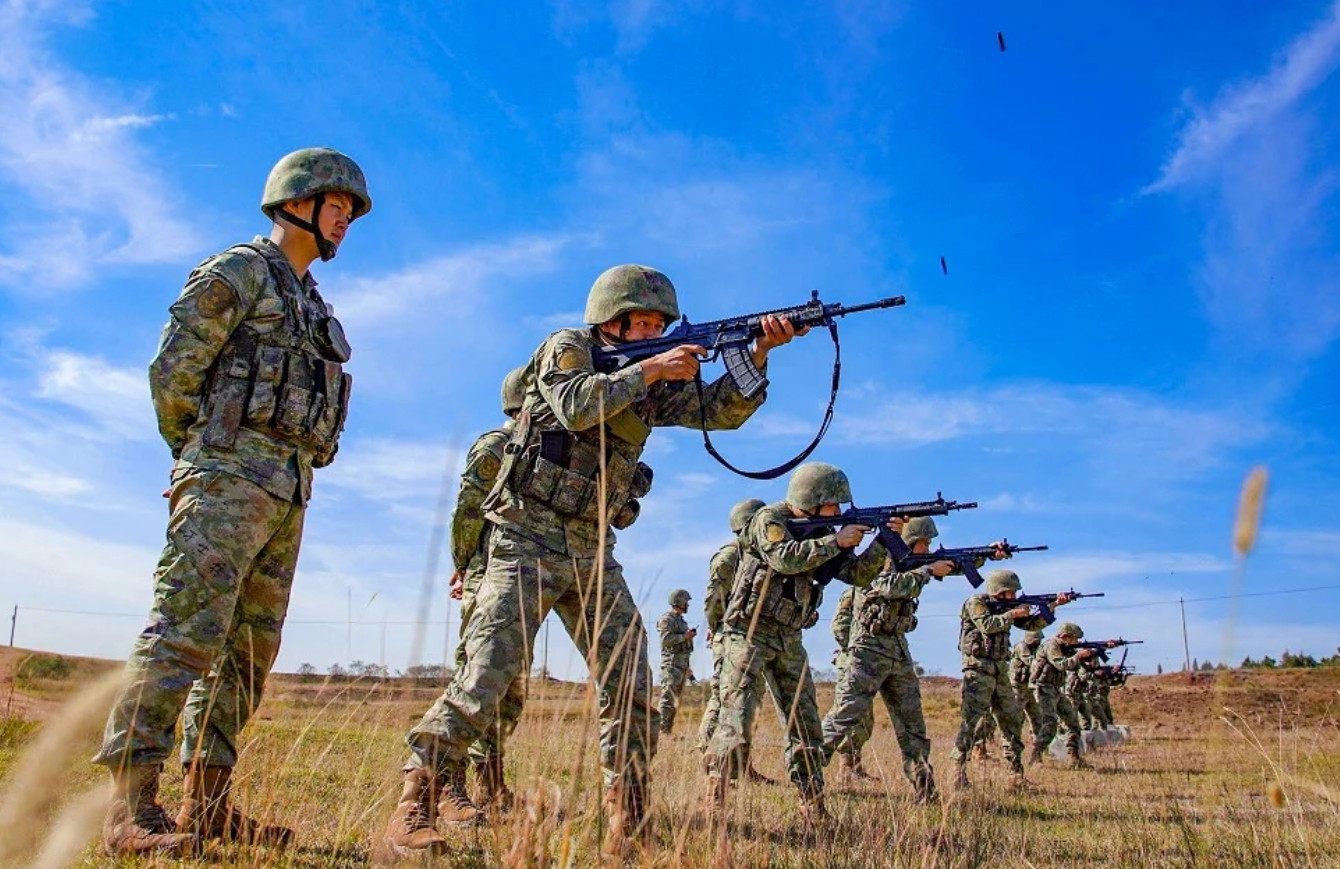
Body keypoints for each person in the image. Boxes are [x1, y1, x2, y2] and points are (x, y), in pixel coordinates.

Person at [380, 264, 806, 859]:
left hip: (592, 549)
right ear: (612, 318)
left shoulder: (650, 384)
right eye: (643, 322)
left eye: (662, 323)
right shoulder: (568, 348)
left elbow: (722, 410)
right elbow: (578, 406)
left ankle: (627, 818)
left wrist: (758, 352)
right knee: (488, 676)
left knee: (631, 676)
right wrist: (651, 367)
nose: (654, 329)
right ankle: (416, 801)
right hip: (524, 538)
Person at [91, 148, 371, 855]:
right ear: (294, 202)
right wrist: (197, 457)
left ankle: (207, 802)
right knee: (184, 631)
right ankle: (129, 803)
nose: (343, 217)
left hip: (288, 489)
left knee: (248, 652)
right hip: (226, 475)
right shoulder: (240, 271)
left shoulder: (315, 307)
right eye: (334, 203)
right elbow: (174, 371)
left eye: (348, 209)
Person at [702, 462, 901, 825]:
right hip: (747, 634)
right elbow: (785, 559)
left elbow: (858, 575)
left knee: (805, 722)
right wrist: (835, 541)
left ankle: (813, 804)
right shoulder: (769, 519)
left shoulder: (823, 530)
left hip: (789, 637)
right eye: (834, 504)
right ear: (812, 499)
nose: (839, 513)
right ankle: (717, 798)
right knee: (737, 718)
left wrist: (884, 539)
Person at [823, 517, 1007, 802]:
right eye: (926, 542)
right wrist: (927, 571)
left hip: (898, 649)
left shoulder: (915, 563)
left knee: (913, 727)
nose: (929, 547)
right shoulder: (880, 560)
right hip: (868, 649)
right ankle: (806, 775)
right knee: (844, 718)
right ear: (910, 542)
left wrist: (986, 555)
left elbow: (954, 564)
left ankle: (925, 790)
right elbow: (887, 586)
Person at [446, 367, 528, 813]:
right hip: (486, 572)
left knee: (510, 690)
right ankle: (448, 788)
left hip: (519, 578)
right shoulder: (496, 447)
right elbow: (467, 512)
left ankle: (491, 784)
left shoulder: (540, 449)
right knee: (475, 679)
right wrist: (463, 565)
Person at [951, 570, 1072, 790]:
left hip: (1000, 670)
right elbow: (986, 625)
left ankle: (1016, 775)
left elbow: (1032, 625)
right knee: (971, 722)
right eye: (1010, 592)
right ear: (999, 590)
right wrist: (1012, 614)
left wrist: (1052, 606)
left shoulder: (1009, 608)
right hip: (977, 669)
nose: (1014, 595)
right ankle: (958, 774)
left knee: (1012, 721)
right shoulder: (976, 602)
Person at [697, 498, 776, 784]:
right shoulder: (730, 556)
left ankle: (739, 765)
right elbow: (714, 597)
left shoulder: (760, 552)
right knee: (723, 698)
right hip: (728, 633)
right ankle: (710, 759)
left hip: (750, 635)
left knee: (744, 702)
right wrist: (716, 627)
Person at [1029, 623, 1104, 769]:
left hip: (1056, 689)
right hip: (1044, 688)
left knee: (1073, 722)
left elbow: (1076, 665)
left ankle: (1074, 757)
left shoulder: (1064, 648)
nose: (1076, 643)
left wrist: (1094, 653)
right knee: (1050, 724)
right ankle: (1036, 757)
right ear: (1065, 637)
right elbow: (1062, 665)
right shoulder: (1052, 646)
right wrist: (1078, 655)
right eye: (1074, 639)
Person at [827, 587, 876, 782]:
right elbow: (839, 626)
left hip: (870, 663)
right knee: (850, 715)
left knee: (865, 718)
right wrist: (857, 648)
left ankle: (854, 766)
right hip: (852, 662)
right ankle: (846, 768)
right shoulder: (853, 594)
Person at [657, 589, 697, 737]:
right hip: (671, 666)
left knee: (675, 701)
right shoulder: (667, 619)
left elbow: (684, 649)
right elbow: (665, 640)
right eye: (686, 602)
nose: (688, 605)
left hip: (681, 666)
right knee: (667, 699)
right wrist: (685, 637)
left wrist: (688, 669)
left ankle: (667, 731)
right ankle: (661, 731)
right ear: (679, 602)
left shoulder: (681, 621)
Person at [1011, 630, 1046, 752]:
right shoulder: (1022, 647)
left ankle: (1038, 749)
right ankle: (1013, 747)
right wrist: (1044, 661)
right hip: (1017, 689)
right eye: (1037, 640)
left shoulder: (1035, 650)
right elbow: (1030, 662)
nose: (1039, 642)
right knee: (1017, 719)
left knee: (1037, 718)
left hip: (1028, 688)